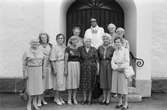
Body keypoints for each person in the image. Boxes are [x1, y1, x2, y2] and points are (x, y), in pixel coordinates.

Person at [23, 39, 44, 110]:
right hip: (31, 71)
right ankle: (29, 103)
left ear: (38, 43)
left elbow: (43, 63)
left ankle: (34, 103)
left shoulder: (40, 51)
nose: (35, 44)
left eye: (36, 42)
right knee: (31, 88)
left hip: (39, 70)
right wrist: (24, 73)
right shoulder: (27, 52)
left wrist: (43, 72)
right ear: (30, 43)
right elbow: (24, 64)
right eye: (33, 42)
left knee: (37, 88)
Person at [111, 37, 130, 110]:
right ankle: (119, 102)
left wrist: (121, 67)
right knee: (118, 88)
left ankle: (125, 104)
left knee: (123, 88)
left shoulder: (125, 50)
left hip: (122, 70)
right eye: (116, 42)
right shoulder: (115, 51)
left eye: (118, 42)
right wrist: (116, 67)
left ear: (121, 43)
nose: (117, 43)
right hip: (116, 70)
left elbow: (127, 61)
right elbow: (112, 61)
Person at [79, 38, 99, 104]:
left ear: (91, 43)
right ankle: (84, 99)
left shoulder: (94, 49)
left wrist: (98, 69)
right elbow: (79, 58)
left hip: (92, 68)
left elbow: (97, 60)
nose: (88, 43)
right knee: (84, 83)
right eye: (86, 42)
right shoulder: (81, 49)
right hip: (83, 68)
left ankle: (89, 99)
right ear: (84, 43)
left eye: (89, 42)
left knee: (91, 83)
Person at [98, 33, 114, 105]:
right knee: (103, 81)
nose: (105, 40)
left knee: (109, 81)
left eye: (107, 39)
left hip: (109, 65)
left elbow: (114, 58)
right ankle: (104, 98)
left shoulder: (112, 48)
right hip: (102, 65)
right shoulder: (100, 47)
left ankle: (108, 98)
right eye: (104, 39)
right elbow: (98, 58)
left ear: (109, 40)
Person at [50, 33, 66, 105]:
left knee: (62, 83)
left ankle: (60, 97)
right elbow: (52, 59)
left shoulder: (64, 47)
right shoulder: (54, 48)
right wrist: (54, 69)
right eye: (59, 38)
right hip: (57, 65)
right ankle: (56, 98)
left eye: (62, 38)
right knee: (57, 83)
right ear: (56, 40)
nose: (61, 39)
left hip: (63, 65)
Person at [37, 33, 53, 106]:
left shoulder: (50, 45)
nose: (44, 39)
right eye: (42, 37)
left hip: (48, 66)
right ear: (40, 38)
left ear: (47, 38)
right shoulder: (38, 46)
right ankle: (39, 100)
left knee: (45, 84)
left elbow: (52, 55)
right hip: (40, 67)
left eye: (45, 37)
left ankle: (43, 99)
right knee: (41, 84)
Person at [65, 37, 80, 105]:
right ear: (71, 41)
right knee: (70, 82)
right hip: (70, 65)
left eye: (76, 40)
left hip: (77, 66)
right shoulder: (68, 48)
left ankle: (74, 98)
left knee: (76, 82)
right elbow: (65, 59)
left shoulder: (79, 48)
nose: (75, 41)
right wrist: (65, 69)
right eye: (73, 40)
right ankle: (69, 98)